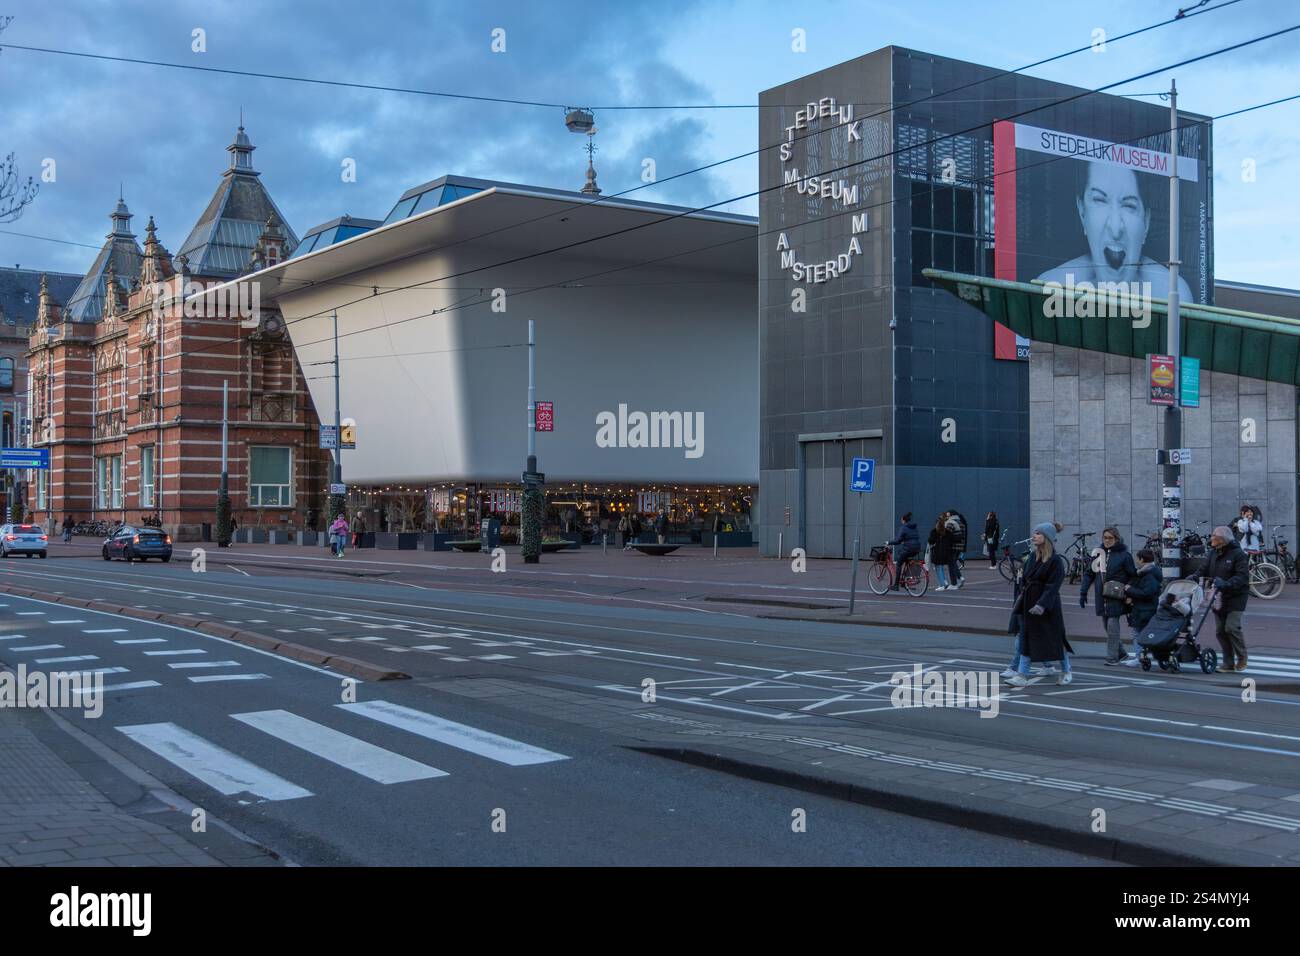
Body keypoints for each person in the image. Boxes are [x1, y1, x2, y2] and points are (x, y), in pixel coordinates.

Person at [1034, 161, 1194, 303]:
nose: (1116, 228)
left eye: (1129, 206)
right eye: (1099, 200)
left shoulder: (1173, 293)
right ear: (1082, 212)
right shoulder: (1052, 288)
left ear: (1146, 222)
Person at [1005, 523, 1073, 686]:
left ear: (1047, 538)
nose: (1034, 536)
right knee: (1027, 638)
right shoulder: (1032, 557)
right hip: (1029, 603)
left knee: (1055, 639)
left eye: (1038, 534)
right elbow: (1024, 581)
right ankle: (1022, 675)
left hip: (1048, 607)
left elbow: (1053, 586)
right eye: (1034, 533)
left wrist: (1042, 605)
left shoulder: (1055, 561)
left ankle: (1066, 670)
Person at [1080, 527, 1138, 665]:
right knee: (1106, 625)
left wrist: (1127, 589)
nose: (1107, 540)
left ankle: (1112, 657)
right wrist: (1083, 592)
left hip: (1116, 595)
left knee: (1112, 624)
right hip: (1101, 595)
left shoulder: (1124, 555)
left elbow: (1133, 575)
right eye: (1105, 537)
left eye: (1110, 538)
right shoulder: (1098, 554)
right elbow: (1089, 574)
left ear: (1116, 539)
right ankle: (1122, 653)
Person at [1202, 525, 1250, 671]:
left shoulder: (1238, 555)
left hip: (1236, 596)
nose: (1211, 538)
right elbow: (1204, 568)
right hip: (1218, 596)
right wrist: (1195, 576)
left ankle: (1242, 657)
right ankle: (1228, 663)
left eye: (1213, 536)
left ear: (1221, 539)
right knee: (1220, 630)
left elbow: (1242, 577)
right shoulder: (1213, 553)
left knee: (1232, 627)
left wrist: (1226, 583)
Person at [1125, 547, 1163, 646]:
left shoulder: (1148, 574)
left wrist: (1130, 590)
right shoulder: (1147, 572)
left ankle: (1139, 657)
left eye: (1137, 559)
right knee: (1140, 633)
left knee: (1138, 634)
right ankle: (1141, 656)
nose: (1136, 561)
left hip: (1144, 610)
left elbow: (1147, 593)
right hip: (1144, 609)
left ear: (1141, 559)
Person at [887, 513, 921, 590]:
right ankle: (905, 582)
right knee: (904, 558)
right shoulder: (914, 527)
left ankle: (896, 585)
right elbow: (913, 537)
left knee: (899, 563)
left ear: (903, 520)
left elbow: (898, 541)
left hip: (908, 548)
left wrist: (889, 542)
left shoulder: (903, 528)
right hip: (917, 548)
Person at [928, 515, 955, 591]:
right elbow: (952, 540)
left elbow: (930, 541)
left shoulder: (934, 531)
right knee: (941, 568)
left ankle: (941, 585)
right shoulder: (947, 532)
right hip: (946, 552)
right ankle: (944, 582)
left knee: (938, 568)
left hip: (937, 552)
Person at [943, 511, 965, 588]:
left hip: (952, 546)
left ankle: (955, 581)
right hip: (960, 546)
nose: (947, 516)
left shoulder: (950, 523)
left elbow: (946, 535)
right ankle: (957, 580)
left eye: (948, 514)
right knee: (953, 563)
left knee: (951, 564)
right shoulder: (961, 523)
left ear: (952, 515)